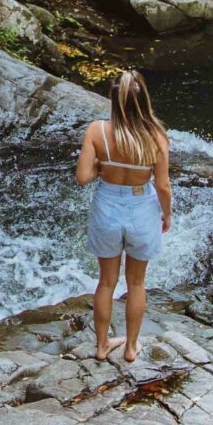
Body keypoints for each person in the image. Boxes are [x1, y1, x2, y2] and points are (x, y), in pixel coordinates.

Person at [76, 70, 172, 364]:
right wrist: (166, 215)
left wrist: (103, 167)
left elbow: (82, 177)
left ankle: (102, 346)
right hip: (141, 205)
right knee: (136, 283)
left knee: (106, 282)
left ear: (114, 101)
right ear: (144, 101)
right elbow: (163, 185)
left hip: (107, 203)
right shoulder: (156, 136)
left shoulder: (96, 131)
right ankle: (131, 347)